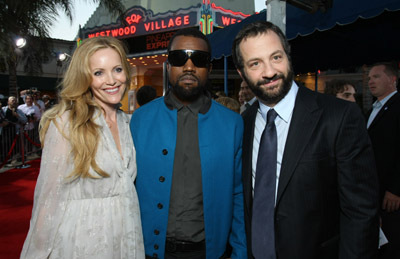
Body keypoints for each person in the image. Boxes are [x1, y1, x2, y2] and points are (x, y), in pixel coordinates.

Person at [232, 20, 379, 259]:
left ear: (288, 58)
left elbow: (361, 213)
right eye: (255, 63)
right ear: (242, 72)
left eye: (276, 57)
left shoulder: (338, 117)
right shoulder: (243, 123)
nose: (269, 72)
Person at [20, 36, 144, 259]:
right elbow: (48, 200)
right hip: (83, 240)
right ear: (84, 78)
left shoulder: (128, 123)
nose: (111, 80)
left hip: (125, 235)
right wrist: (37, 253)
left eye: (117, 69)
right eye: (99, 73)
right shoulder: (66, 123)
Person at [130, 27, 247, 259]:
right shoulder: (140, 120)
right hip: (149, 251)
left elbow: (239, 196)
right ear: (168, 66)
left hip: (208, 252)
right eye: (179, 58)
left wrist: (241, 252)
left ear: (209, 68)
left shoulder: (233, 124)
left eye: (199, 59)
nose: (189, 66)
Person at [367, 62, 400, 259]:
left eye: (376, 76)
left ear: (392, 79)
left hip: (391, 196)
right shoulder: (374, 108)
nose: (370, 81)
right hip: (374, 191)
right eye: (369, 77)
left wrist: (396, 189)